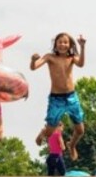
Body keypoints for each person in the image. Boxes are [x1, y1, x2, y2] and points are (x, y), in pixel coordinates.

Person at [31, 33, 86, 161]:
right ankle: (42, 132)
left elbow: (81, 64)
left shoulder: (72, 57)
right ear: (55, 44)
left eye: (65, 42)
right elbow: (34, 67)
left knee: (80, 130)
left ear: (70, 45)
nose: (62, 44)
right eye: (60, 42)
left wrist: (82, 47)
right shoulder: (50, 57)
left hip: (71, 97)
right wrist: (33, 60)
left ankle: (71, 145)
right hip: (56, 99)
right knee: (50, 132)